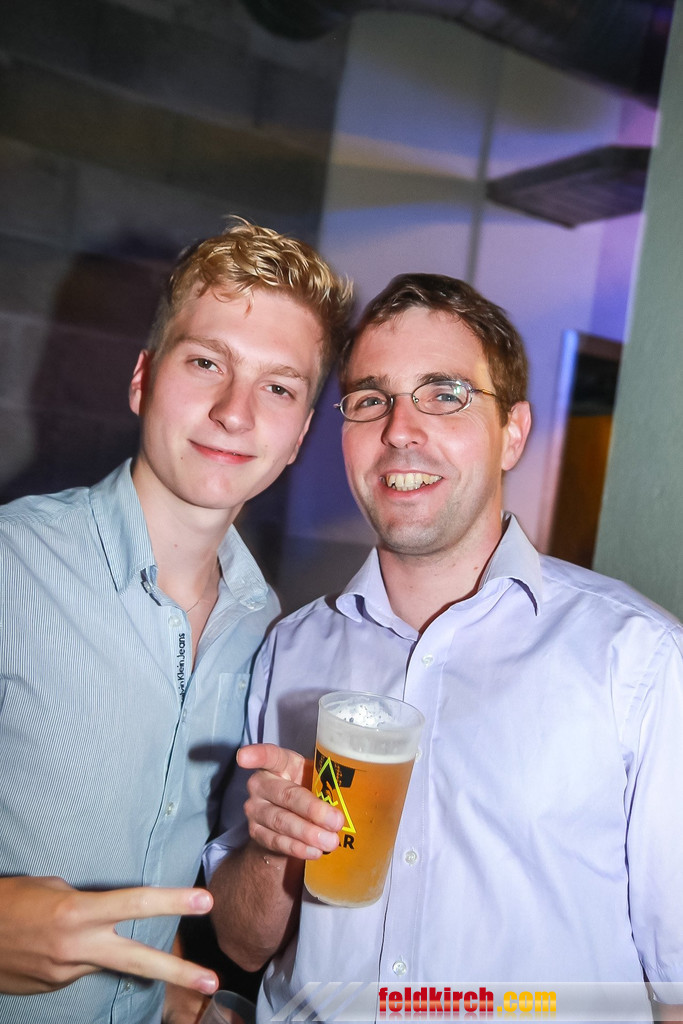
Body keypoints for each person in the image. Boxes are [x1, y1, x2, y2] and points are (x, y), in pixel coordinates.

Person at [206, 273, 683, 1022]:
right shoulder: (290, 650)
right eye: (371, 399)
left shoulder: (637, 658)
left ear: (513, 434)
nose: (400, 429)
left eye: (445, 394)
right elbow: (240, 943)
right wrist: (273, 849)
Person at [0, 220, 352, 1024]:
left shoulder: (269, 633)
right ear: (142, 379)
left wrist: (167, 983)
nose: (234, 412)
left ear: (299, 436)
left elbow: (204, 889)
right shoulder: (12, 567)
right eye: (205, 364)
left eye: (277, 388)